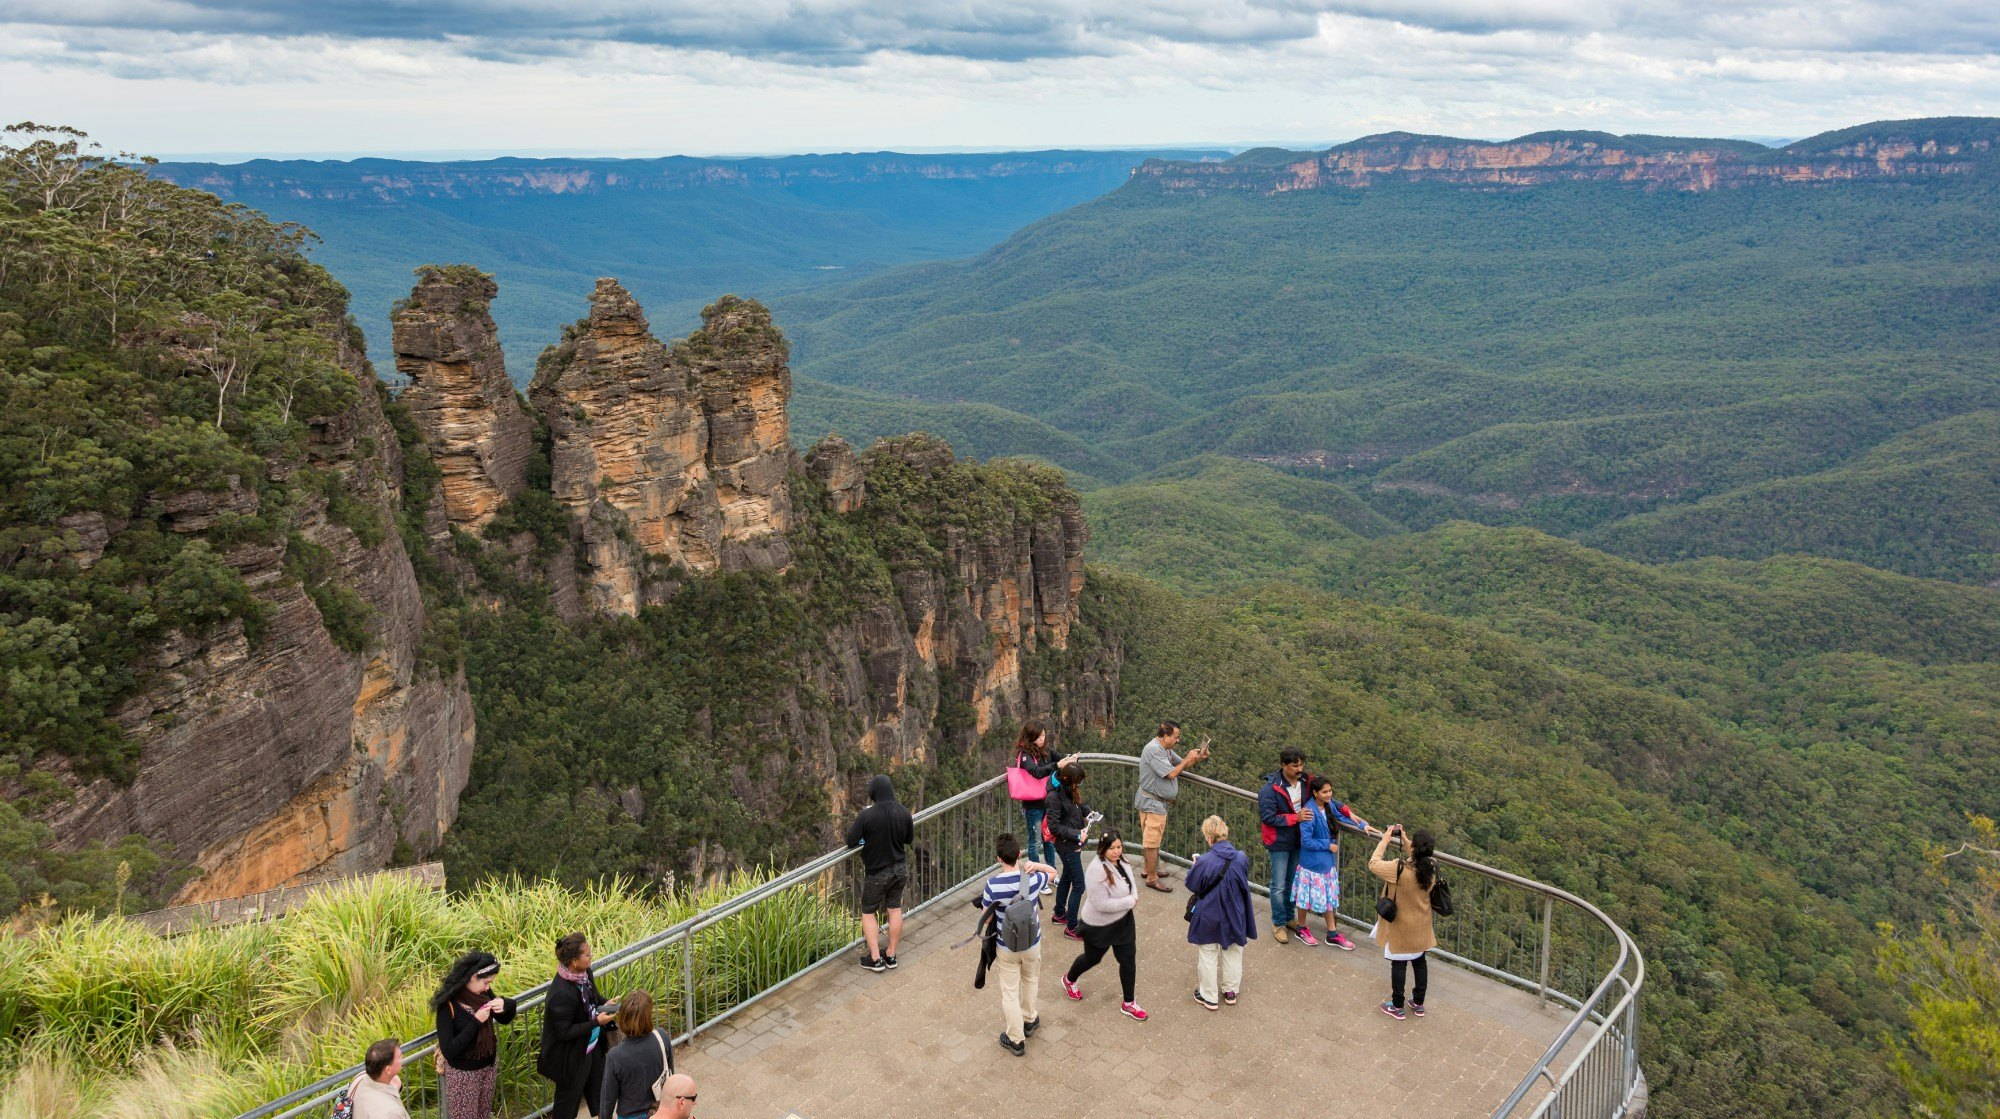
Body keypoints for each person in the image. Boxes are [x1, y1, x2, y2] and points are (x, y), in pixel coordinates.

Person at [979, 832, 1060, 1055]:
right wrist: (1035, 865)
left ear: (998, 859)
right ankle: (1029, 1018)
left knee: (1009, 992)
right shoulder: (1032, 879)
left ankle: (1015, 1038)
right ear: (1019, 854)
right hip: (1032, 942)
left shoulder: (992, 885)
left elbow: (986, 917)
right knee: (1031, 980)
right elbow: (1054, 873)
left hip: (1007, 947)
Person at [1060, 830, 1146, 1020]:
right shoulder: (1095, 870)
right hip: (1099, 924)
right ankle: (1069, 979)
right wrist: (1130, 902)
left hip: (1123, 922)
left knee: (1128, 961)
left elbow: (1131, 885)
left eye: (1118, 847)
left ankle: (1129, 1003)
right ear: (1103, 849)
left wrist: (1133, 898)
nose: (1116, 851)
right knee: (1092, 958)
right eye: (1112, 848)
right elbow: (1101, 904)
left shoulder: (1123, 861)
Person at [540, 932, 617, 1119]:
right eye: (587, 954)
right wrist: (596, 1022)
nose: (591, 957)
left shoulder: (585, 973)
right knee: (566, 1108)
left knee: (601, 1097)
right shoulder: (561, 994)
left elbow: (594, 999)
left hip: (593, 1048)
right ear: (574, 961)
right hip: (572, 1059)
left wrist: (607, 1004)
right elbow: (563, 1033)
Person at [432, 950, 517, 1119]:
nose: (488, 987)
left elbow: (503, 1019)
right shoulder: (448, 1005)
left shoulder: (483, 993)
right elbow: (449, 1050)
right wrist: (476, 1021)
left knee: (482, 1115)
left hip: (488, 1068)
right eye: (486, 982)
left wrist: (507, 1004)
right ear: (473, 977)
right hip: (463, 1077)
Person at [1184, 815, 1257, 1010]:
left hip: (1210, 912)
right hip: (1236, 911)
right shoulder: (1241, 857)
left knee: (1208, 953)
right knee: (1233, 950)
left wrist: (1195, 865)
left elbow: (1192, 884)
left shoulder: (1205, 861)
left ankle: (1209, 996)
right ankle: (1231, 991)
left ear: (1209, 837)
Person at [845, 773, 915, 972]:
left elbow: (851, 841)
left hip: (877, 872)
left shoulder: (867, 815)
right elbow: (909, 838)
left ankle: (875, 958)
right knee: (894, 909)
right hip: (900, 868)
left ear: (873, 793)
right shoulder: (903, 811)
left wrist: (866, 839)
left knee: (868, 912)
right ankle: (891, 954)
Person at [1370, 824, 1439, 1020]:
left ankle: (1397, 1005)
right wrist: (1405, 838)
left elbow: (1373, 863)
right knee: (1419, 962)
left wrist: (1385, 839)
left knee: (1399, 964)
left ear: (1413, 849)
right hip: (1421, 926)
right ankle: (1418, 1003)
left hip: (1400, 925)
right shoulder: (1431, 868)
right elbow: (1419, 854)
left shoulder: (1399, 869)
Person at [1292, 775, 1368, 950]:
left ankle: (1332, 933)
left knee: (1328, 898)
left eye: (1330, 791)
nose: (1328, 794)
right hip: (1312, 864)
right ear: (1315, 793)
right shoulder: (1309, 811)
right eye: (1324, 792)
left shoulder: (1328, 806)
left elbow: (1343, 815)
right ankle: (1301, 928)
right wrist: (1328, 845)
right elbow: (1306, 841)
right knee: (1304, 897)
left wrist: (1363, 825)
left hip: (1325, 863)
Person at [1134, 720, 1209, 892]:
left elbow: (1182, 764)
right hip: (1152, 803)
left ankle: (1148, 869)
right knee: (1152, 841)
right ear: (1165, 736)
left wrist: (1197, 758)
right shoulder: (1153, 750)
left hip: (1155, 802)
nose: (1178, 740)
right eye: (1176, 737)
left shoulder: (1165, 749)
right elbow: (1172, 773)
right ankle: (1152, 878)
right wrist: (1188, 759)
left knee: (1152, 838)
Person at [1257, 747, 1315, 943]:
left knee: (1292, 882)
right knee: (1279, 885)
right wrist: (1295, 818)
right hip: (1279, 842)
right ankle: (1279, 923)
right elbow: (1268, 817)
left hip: (1298, 840)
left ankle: (1289, 918)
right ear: (1283, 765)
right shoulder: (1270, 789)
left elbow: (1326, 796)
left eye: (1301, 764)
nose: (1299, 768)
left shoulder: (1307, 781)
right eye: (1295, 765)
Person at [599, 989, 674, 1119]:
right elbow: (671, 1074)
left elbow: (607, 1100)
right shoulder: (661, 1036)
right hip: (661, 1110)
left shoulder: (615, 1056)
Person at [1012, 720, 1078, 866]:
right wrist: (1056, 766)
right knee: (1035, 842)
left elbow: (1059, 756)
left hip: (1047, 802)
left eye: (1043, 735)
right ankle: (1036, 875)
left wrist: (1070, 758)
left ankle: (1051, 872)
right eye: (1038, 736)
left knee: (1048, 838)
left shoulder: (1045, 750)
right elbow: (1036, 772)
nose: (1042, 739)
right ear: (1030, 737)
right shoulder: (1024, 755)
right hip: (1033, 806)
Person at [1045, 760, 1094, 939]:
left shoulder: (1068, 787)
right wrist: (1076, 834)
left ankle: (1059, 914)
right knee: (1079, 885)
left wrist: (1088, 813)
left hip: (1071, 843)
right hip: (1067, 846)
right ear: (1068, 779)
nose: (1079, 785)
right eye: (1077, 782)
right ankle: (1072, 928)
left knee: (1066, 876)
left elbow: (1078, 805)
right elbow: (1054, 827)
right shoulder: (1053, 797)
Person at [347, 1038, 409, 1119]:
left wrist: (393, 1088)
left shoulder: (359, 1079)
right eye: (399, 1056)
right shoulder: (390, 1113)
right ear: (388, 1070)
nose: (402, 1057)